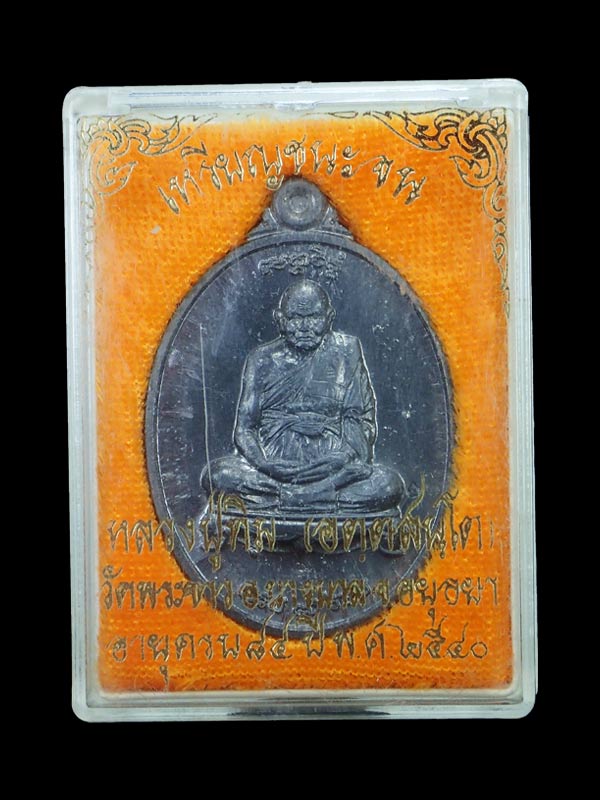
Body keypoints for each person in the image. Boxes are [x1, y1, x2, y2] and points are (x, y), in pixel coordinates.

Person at [201, 279, 404, 514]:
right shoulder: (262, 359)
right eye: (295, 318)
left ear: (329, 317)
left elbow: (360, 421)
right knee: (217, 475)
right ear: (280, 320)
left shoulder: (347, 353)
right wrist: (264, 464)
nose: (305, 327)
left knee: (389, 485)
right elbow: (245, 429)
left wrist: (341, 459)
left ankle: (286, 500)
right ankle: (316, 498)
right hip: (274, 472)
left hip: (334, 470)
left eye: (314, 317)